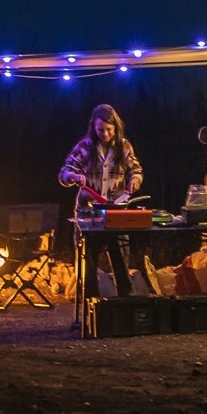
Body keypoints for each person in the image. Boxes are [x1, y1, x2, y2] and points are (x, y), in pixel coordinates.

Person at [59, 103, 144, 299]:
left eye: (109, 130)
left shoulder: (124, 146)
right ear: (94, 128)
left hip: (117, 213)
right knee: (88, 268)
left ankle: (125, 303)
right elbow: (63, 173)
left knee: (121, 265)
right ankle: (92, 306)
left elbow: (136, 170)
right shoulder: (85, 146)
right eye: (100, 130)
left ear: (116, 128)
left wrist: (135, 180)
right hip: (89, 214)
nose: (105, 134)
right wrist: (73, 176)